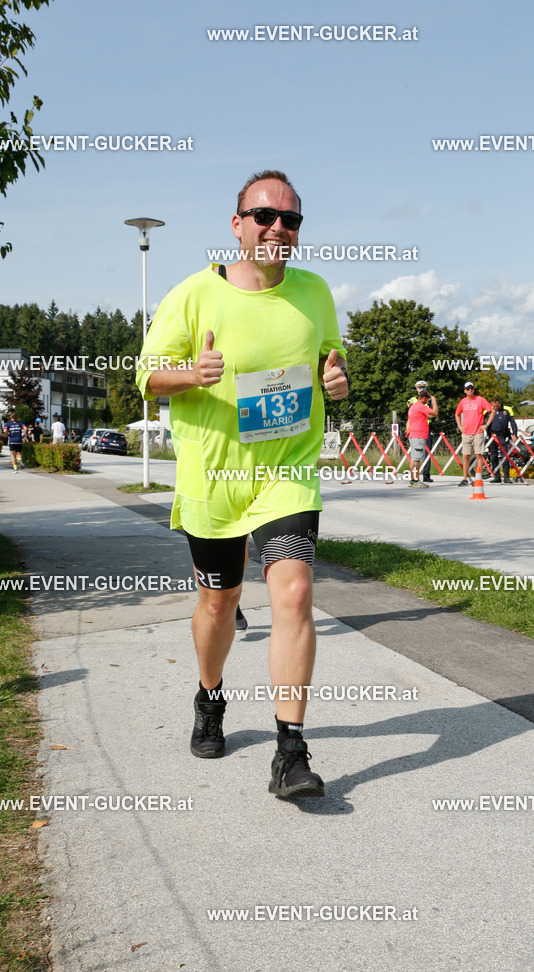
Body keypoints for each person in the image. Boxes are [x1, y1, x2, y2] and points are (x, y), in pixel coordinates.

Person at [136, 170, 348, 800]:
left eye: (291, 219)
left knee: (294, 593)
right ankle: (209, 695)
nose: (278, 228)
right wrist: (188, 373)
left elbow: (330, 365)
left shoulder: (316, 292)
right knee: (219, 603)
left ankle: (290, 750)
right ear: (237, 224)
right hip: (217, 475)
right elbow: (147, 378)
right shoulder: (194, 295)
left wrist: (337, 382)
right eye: (265, 216)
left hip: (287, 471)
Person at [455, 381, 492, 486]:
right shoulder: (463, 402)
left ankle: (478, 478)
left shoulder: (480, 400)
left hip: (478, 432)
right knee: (466, 455)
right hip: (466, 432)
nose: (470, 390)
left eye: (472, 388)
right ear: (465, 391)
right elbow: (457, 414)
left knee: (478, 455)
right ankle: (465, 479)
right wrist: (460, 426)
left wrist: (486, 424)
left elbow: (491, 411)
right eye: (468, 388)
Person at [406, 385, 438, 487]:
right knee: (417, 459)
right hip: (419, 435)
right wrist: (434, 401)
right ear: (424, 398)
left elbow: (428, 415)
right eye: (427, 399)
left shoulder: (414, 407)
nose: (428, 401)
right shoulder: (420, 406)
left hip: (414, 434)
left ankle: (412, 480)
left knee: (414, 458)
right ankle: (416, 480)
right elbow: (435, 413)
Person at [487, 397, 518, 483]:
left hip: (503, 436)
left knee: (505, 456)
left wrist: (515, 433)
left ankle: (506, 477)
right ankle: (497, 477)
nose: (495, 407)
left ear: (500, 403)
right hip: (492, 436)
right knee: (493, 456)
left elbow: (512, 422)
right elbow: (484, 422)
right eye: (494, 406)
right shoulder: (489, 411)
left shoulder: (506, 411)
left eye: (497, 406)